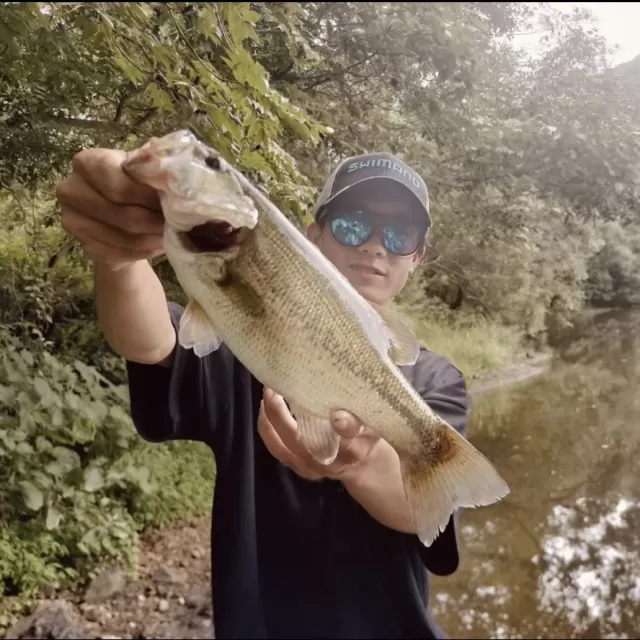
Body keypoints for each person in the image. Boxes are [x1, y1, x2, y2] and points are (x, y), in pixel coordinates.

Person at [56, 146, 470, 640]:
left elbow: (419, 512)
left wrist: (357, 463)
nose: (375, 246)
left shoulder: (437, 381)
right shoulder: (243, 341)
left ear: (416, 258)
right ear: (313, 235)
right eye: (353, 225)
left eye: (399, 235)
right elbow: (150, 341)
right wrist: (118, 257)